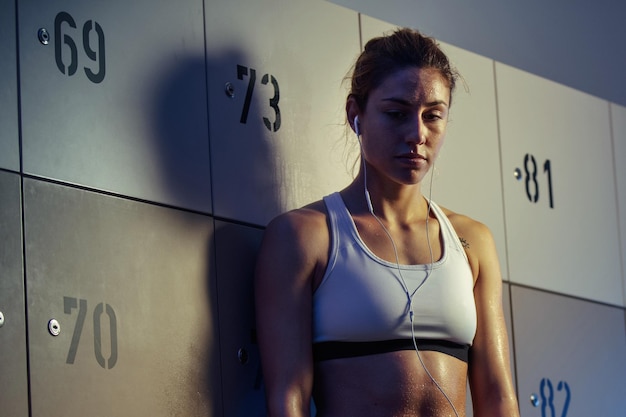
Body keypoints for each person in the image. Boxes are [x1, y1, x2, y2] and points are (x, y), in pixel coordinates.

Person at [254, 28, 520, 417]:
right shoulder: (305, 236)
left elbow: (498, 396)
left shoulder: (472, 241)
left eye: (433, 116)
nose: (417, 134)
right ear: (354, 114)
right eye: (396, 114)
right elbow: (287, 397)